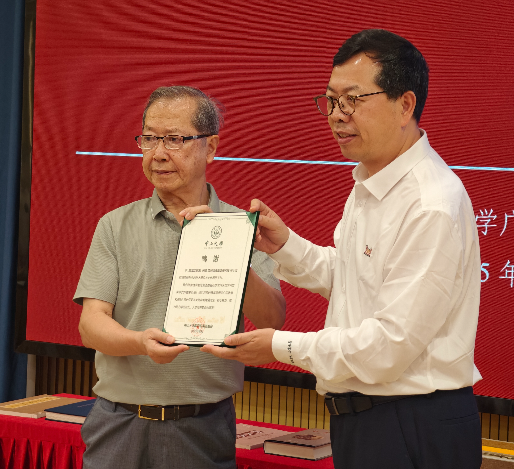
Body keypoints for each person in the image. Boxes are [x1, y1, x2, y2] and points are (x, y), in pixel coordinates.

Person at [194, 29, 483, 468]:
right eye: (330, 101)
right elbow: (354, 278)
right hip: (367, 421)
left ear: (405, 105)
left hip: (412, 423)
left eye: (352, 100)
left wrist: (280, 347)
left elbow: (389, 345)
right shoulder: (371, 181)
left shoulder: (430, 203)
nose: (336, 116)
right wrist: (284, 245)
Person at [74, 86, 286, 469]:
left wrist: (229, 251)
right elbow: (91, 326)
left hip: (202, 425)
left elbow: (273, 319)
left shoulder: (240, 227)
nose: (158, 153)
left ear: (211, 147)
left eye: (174, 139)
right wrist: (140, 342)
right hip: (118, 421)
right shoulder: (114, 225)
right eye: (149, 139)